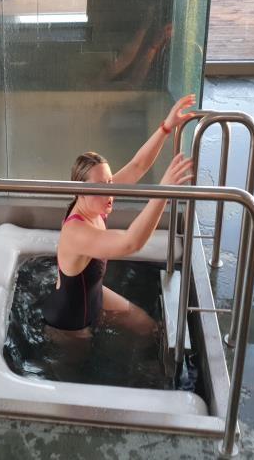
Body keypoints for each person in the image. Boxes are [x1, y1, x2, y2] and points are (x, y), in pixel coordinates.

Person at [42, 94, 197, 335]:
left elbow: (137, 166)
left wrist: (166, 127)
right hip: (70, 323)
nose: (110, 193)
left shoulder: (95, 200)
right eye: (101, 186)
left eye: (110, 182)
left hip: (93, 294)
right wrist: (164, 191)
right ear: (79, 190)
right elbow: (131, 242)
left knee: (147, 327)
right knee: (83, 361)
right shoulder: (76, 231)